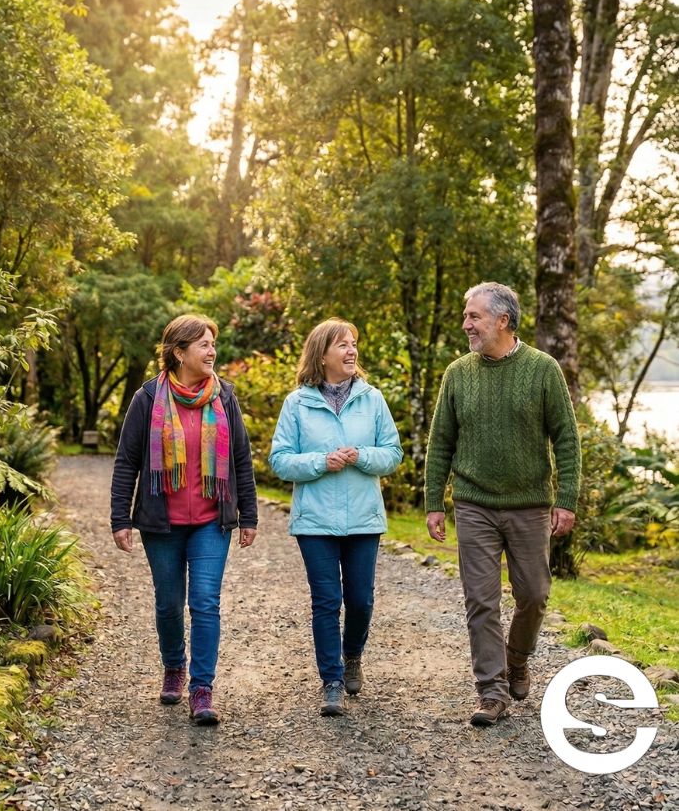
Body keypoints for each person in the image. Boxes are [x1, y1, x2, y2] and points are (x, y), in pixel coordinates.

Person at [424, 282, 581, 728]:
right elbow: (441, 444)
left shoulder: (542, 369)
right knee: (481, 600)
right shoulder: (457, 373)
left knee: (534, 594)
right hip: (474, 503)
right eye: (465, 315)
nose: (465, 323)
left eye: (473, 316)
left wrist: (565, 499)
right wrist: (435, 502)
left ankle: (517, 658)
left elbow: (566, 439)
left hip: (530, 504)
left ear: (502, 321)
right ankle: (490, 691)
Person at [110, 313, 258, 725]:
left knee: (206, 602)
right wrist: (119, 518)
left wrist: (249, 515)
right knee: (169, 604)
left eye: (213, 343)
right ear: (178, 352)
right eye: (204, 344)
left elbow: (241, 460)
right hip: (162, 524)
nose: (212, 351)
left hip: (213, 520)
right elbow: (126, 463)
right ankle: (174, 666)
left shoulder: (224, 397)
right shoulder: (146, 399)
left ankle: (202, 689)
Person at [269, 317, 402, 717]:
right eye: (342, 344)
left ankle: (352, 656)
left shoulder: (372, 399)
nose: (351, 351)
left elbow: (393, 454)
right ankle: (331, 681)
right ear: (322, 353)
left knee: (360, 600)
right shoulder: (297, 402)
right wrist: (320, 462)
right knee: (326, 601)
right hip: (315, 522)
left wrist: (361, 456)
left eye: (353, 344)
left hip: (364, 519)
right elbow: (279, 460)